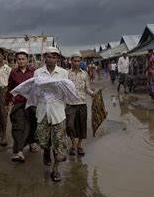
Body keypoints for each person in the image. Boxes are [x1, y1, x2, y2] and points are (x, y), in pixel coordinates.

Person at [34, 47, 69, 182]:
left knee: (59, 142)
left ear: (57, 59)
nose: (51, 59)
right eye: (49, 57)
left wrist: (54, 88)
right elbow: (35, 92)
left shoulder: (63, 73)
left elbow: (66, 92)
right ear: (44, 57)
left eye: (54, 57)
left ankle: (55, 170)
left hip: (58, 112)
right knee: (43, 139)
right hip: (42, 111)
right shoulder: (38, 73)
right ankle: (46, 151)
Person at [6, 48, 37, 162]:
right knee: (18, 127)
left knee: (33, 125)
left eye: (23, 59)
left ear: (27, 59)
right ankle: (18, 152)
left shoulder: (34, 72)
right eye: (19, 59)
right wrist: (7, 102)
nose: (21, 61)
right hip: (19, 103)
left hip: (32, 103)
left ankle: (32, 142)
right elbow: (10, 88)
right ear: (16, 60)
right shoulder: (13, 73)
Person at [66, 52, 95, 157]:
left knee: (82, 125)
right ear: (71, 61)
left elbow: (87, 88)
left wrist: (92, 93)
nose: (76, 63)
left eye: (78, 61)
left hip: (82, 103)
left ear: (80, 62)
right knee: (70, 125)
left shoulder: (85, 74)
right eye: (75, 61)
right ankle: (73, 144)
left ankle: (79, 145)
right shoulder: (66, 74)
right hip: (70, 103)